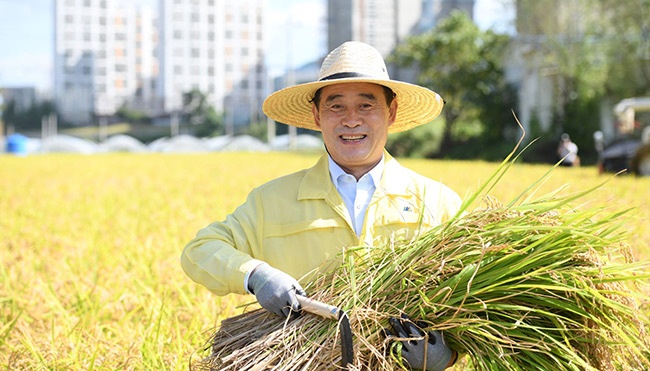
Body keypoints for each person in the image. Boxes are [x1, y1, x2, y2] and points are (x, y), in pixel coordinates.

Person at [181, 41, 461, 370]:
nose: (351, 120)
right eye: (336, 106)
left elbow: (477, 304)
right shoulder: (271, 202)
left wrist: (446, 356)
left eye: (366, 105)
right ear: (317, 116)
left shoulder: (439, 203)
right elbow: (200, 250)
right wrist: (256, 275)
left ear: (392, 112)